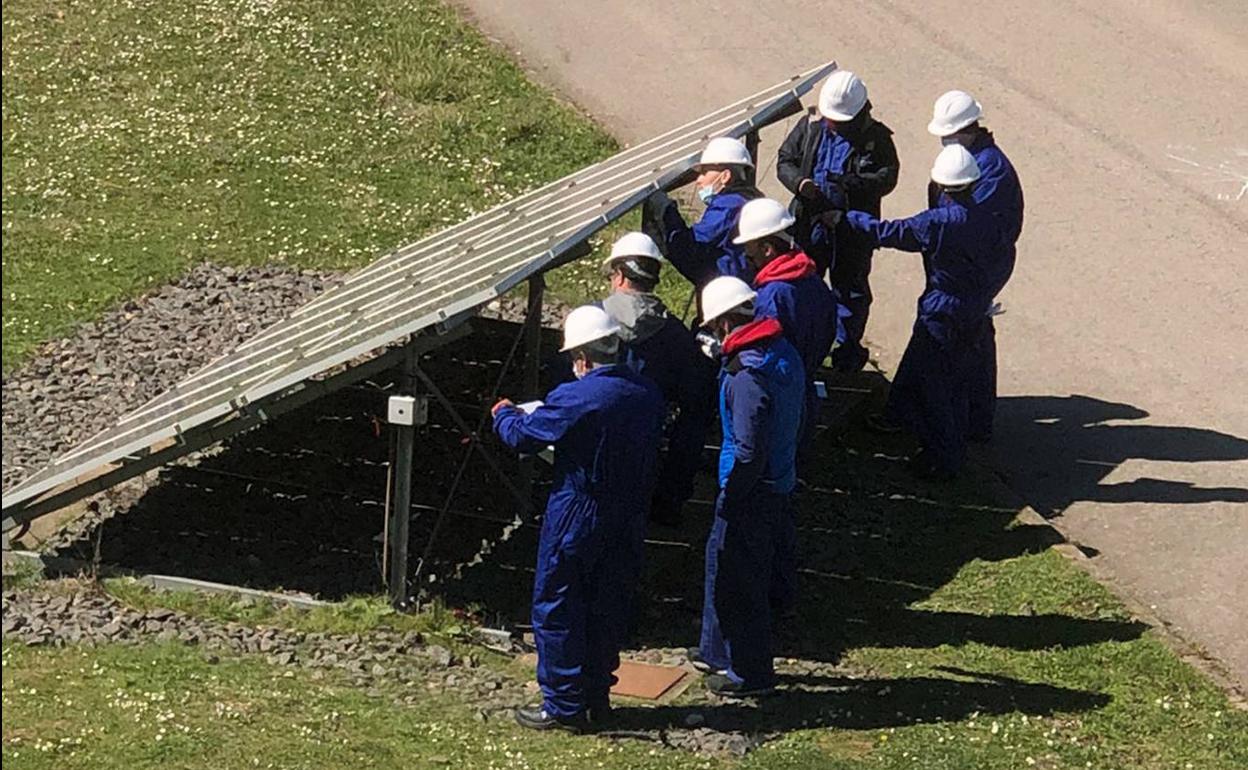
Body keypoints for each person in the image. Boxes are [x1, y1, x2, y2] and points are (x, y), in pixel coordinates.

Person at [492, 305, 665, 732]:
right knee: (607, 605)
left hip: (579, 507)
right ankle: (596, 697)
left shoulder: (577, 396)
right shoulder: (647, 393)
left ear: (583, 357)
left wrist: (504, 414)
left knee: (558, 602)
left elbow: (524, 437)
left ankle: (562, 705)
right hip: (627, 512)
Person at [843, 145, 1006, 479]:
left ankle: (944, 458)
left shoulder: (940, 221)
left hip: (942, 310)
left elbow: (891, 232)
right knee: (956, 382)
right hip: (974, 307)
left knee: (934, 386)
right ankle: (945, 441)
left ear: (942, 184)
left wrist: (849, 219)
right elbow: (1006, 256)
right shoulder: (988, 218)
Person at [689, 276, 805, 698]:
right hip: (779, 479)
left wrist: (732, 495)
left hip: (749, 491)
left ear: (722, 324)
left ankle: (750, 673)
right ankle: (716, 650)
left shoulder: (745, 377)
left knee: (742, 582)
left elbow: (746, 449)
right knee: (726, 567)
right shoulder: (781, 352)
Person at [777, 70, 899, 373]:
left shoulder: (877, 139)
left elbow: (886, 179)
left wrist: (848, 185)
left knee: (851, 293)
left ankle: (845, 357)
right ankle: (804, 347)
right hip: (809, 224)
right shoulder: (811, 126)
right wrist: (800, 184)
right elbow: (785, 160)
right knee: (802, 286)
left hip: (851, 229)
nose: (832, 124)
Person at [926, 90, 1025, 441]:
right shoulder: (967, 159)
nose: (943, 139)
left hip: (976, 268)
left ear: (967, 129)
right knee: (965, 336)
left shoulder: (990, 171)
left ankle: (971, 422)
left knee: (969, 339)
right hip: (961, 265)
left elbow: (964, 226)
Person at [600, 232, 717, 526]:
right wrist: (672, 493)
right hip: (647, 445)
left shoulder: (592, 322)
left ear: (619, 276)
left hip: (597, 449)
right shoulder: (674, 334)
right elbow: (696, 407)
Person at [643, 136, 762, 288]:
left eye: (704, 172)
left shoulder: (730, 205)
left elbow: (694, 241)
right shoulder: (747, 199)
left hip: (728, 287)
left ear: (725, 176)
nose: (698, 180)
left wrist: (666, 211)